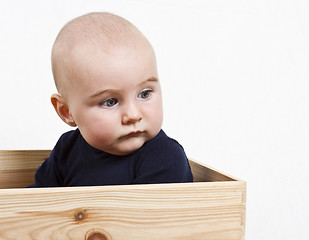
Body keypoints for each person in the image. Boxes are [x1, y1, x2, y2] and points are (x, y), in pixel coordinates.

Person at [29, 12, 193, 187]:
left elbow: (148, 214)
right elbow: (36, 203)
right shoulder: (67, 150)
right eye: (110, 102)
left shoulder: (165, 158)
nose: (133, 115)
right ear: (66, 112)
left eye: (144, 94)